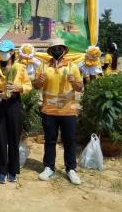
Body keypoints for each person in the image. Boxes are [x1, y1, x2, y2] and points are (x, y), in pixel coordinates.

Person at [33, 38, 84, 185]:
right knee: (49, 141)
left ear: (64, 50)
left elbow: (80, 88)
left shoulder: (72, 66)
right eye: (54, 48)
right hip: (49, 111)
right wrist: (39, 81)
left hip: (68, 111)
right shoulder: (43, 66)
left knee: (69, 142)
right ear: (50, 51)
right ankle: (49, 168)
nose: (57, 51)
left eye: (59, 48)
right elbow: (36, 86)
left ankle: (71, 169)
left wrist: (74, 81)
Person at [0, 40, 32, 184]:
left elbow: (28, 86)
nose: (2, 54)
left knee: (14, 137)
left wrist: (18, 87)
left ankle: (13, 170)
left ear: (12, 52)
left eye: (5, 51)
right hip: (0, 103)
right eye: (0, 51)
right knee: (0, 137)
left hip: (14, 104)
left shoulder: (20, 67)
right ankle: (2, 170)